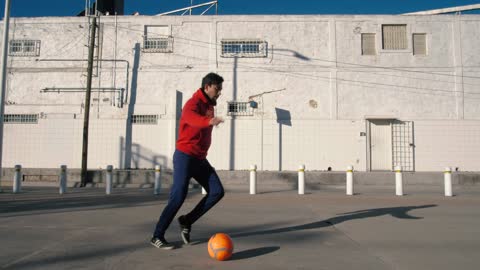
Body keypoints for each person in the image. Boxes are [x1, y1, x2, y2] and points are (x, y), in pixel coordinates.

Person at [151, 72, 225, 249]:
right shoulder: (192, 104)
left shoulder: (209, 105)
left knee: (217, 191)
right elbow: (192, 119)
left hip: (200, 159)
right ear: (207, 86)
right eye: (217, 88)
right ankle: (157, 235)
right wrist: (209, 121)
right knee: (178, 197)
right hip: (185, 157)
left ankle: (187, 220)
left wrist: (210, 121)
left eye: (221, 89)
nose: (220, 92)